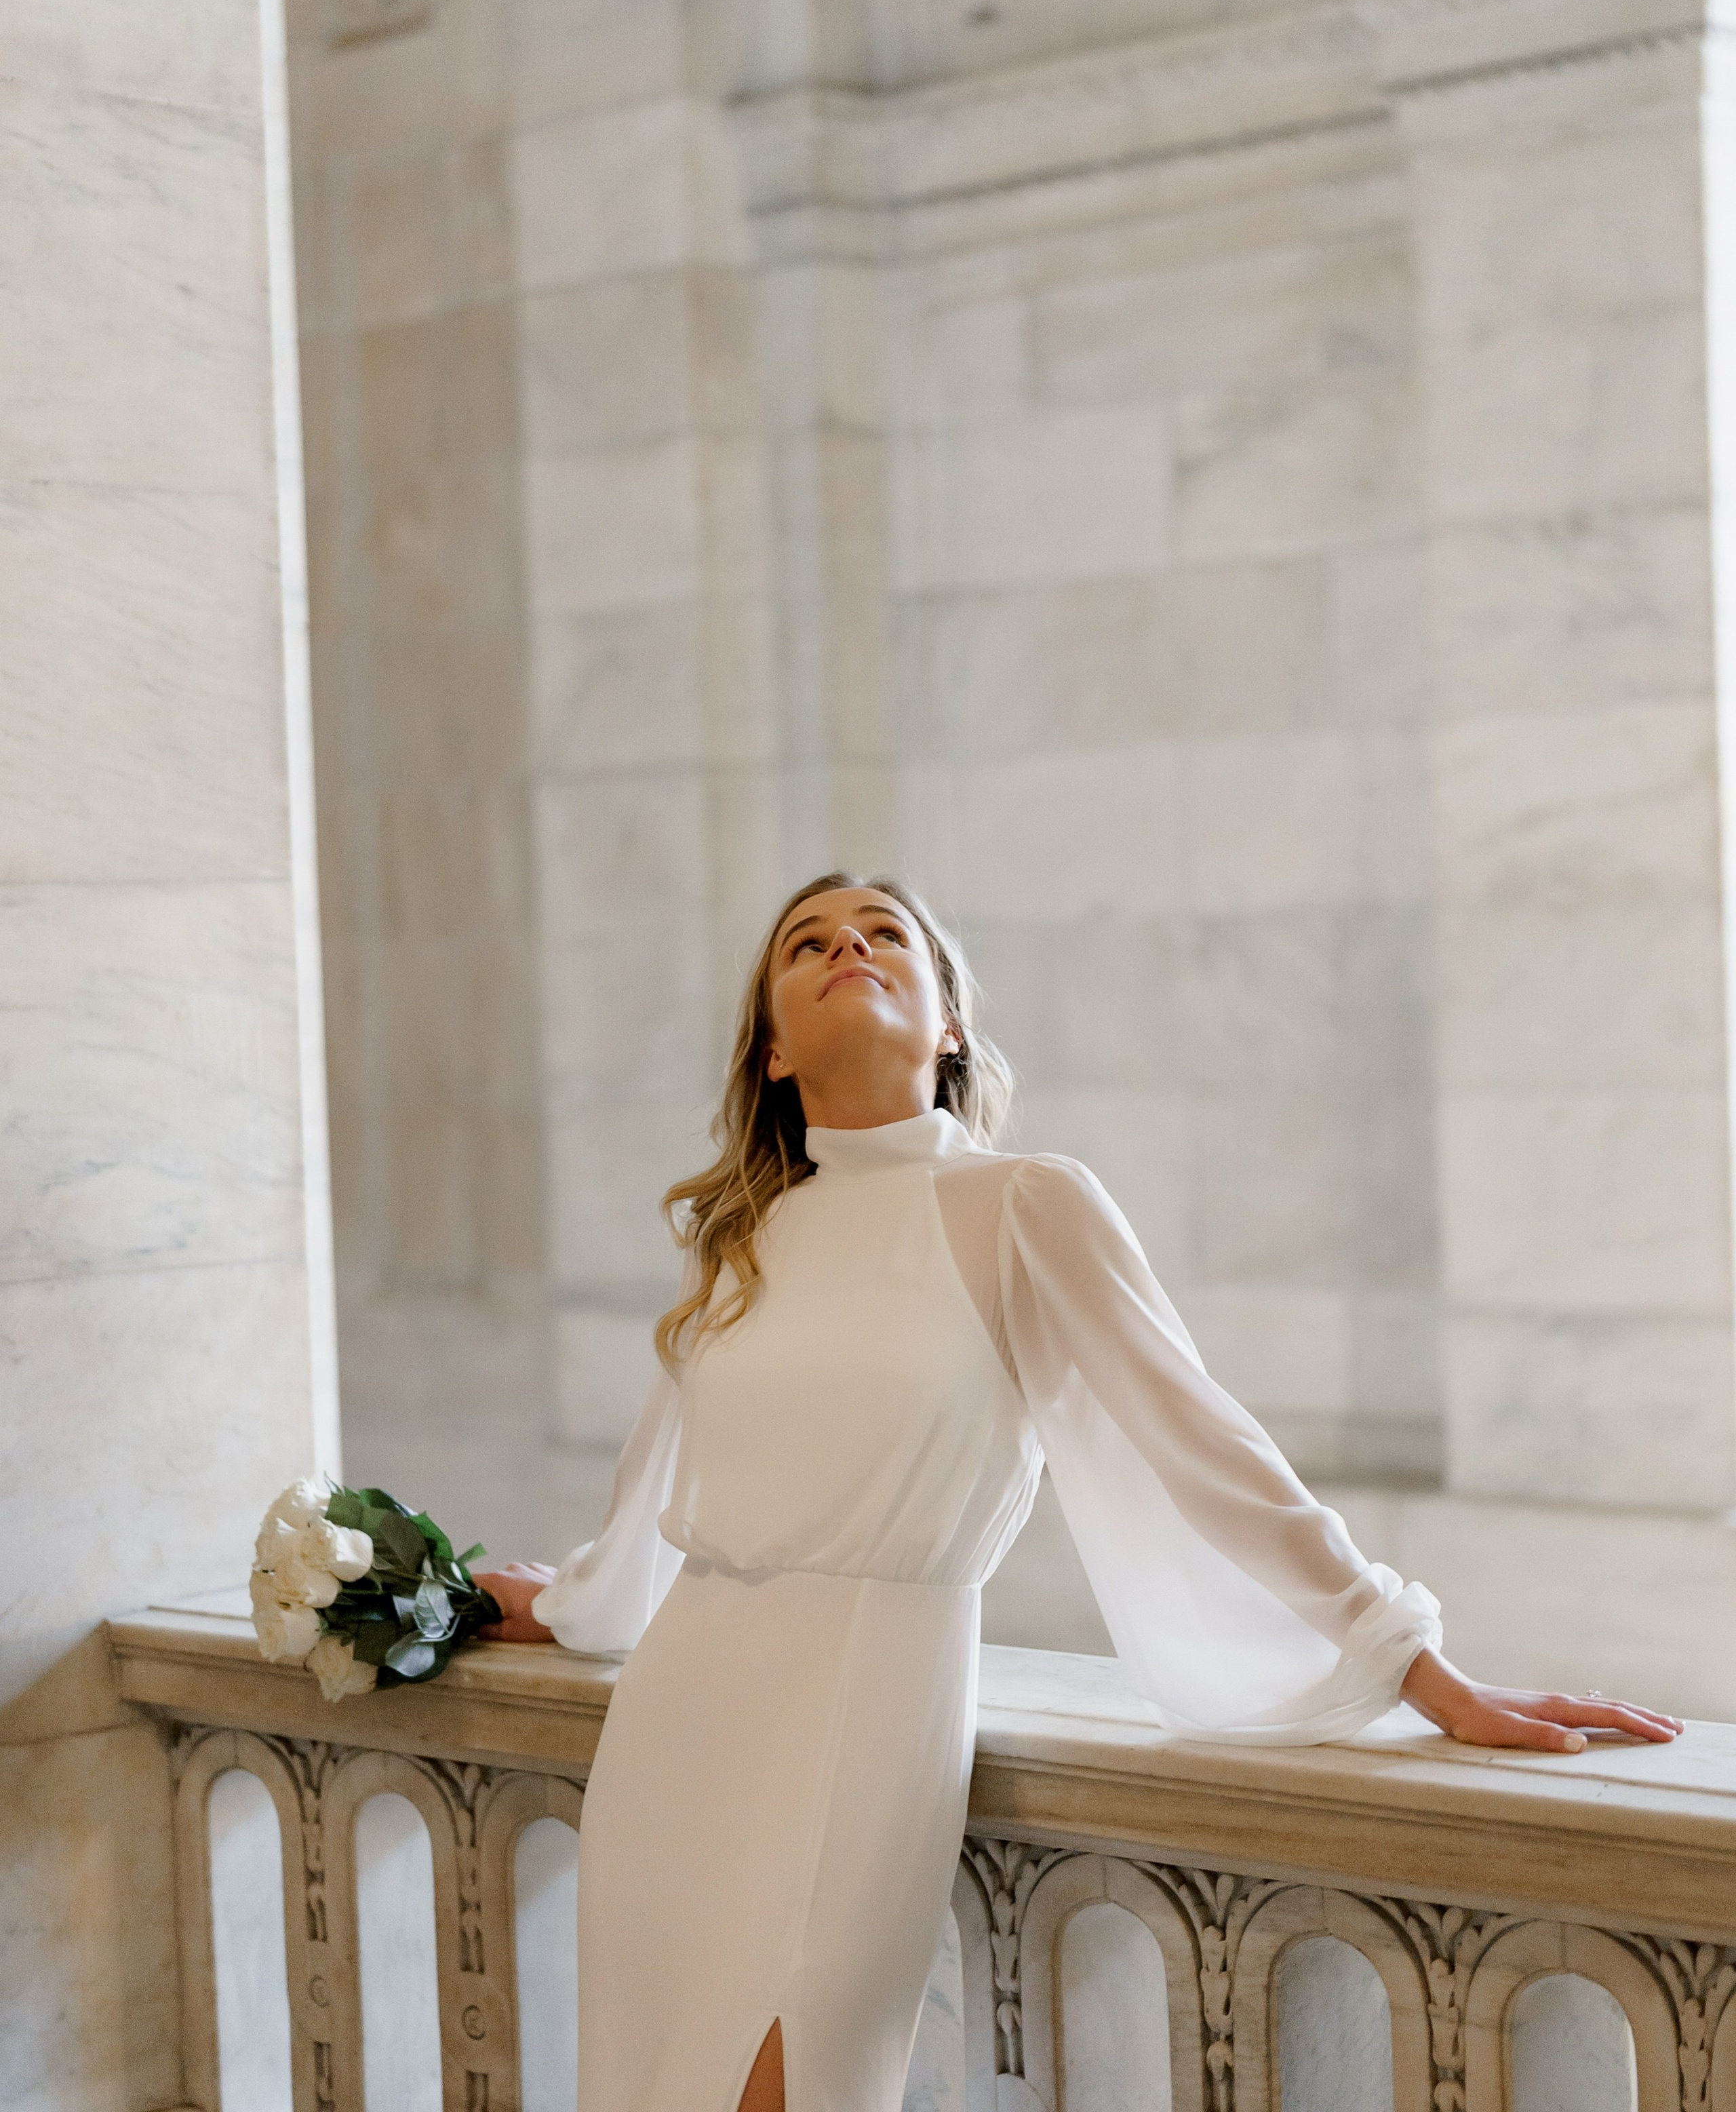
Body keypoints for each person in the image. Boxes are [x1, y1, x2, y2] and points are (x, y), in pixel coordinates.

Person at [479, 872, 1680, 2112]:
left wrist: (1412, 1660)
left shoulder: (1022, 1204)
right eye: (809, 943)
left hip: (863, 1708)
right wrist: (560, 1607)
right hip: (679, 1732)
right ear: (774, 1049)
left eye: (886, 934)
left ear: (948, 1024)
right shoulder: (739, 1241)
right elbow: (652, 1503)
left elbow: (1200, 1438)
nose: (850, 947)